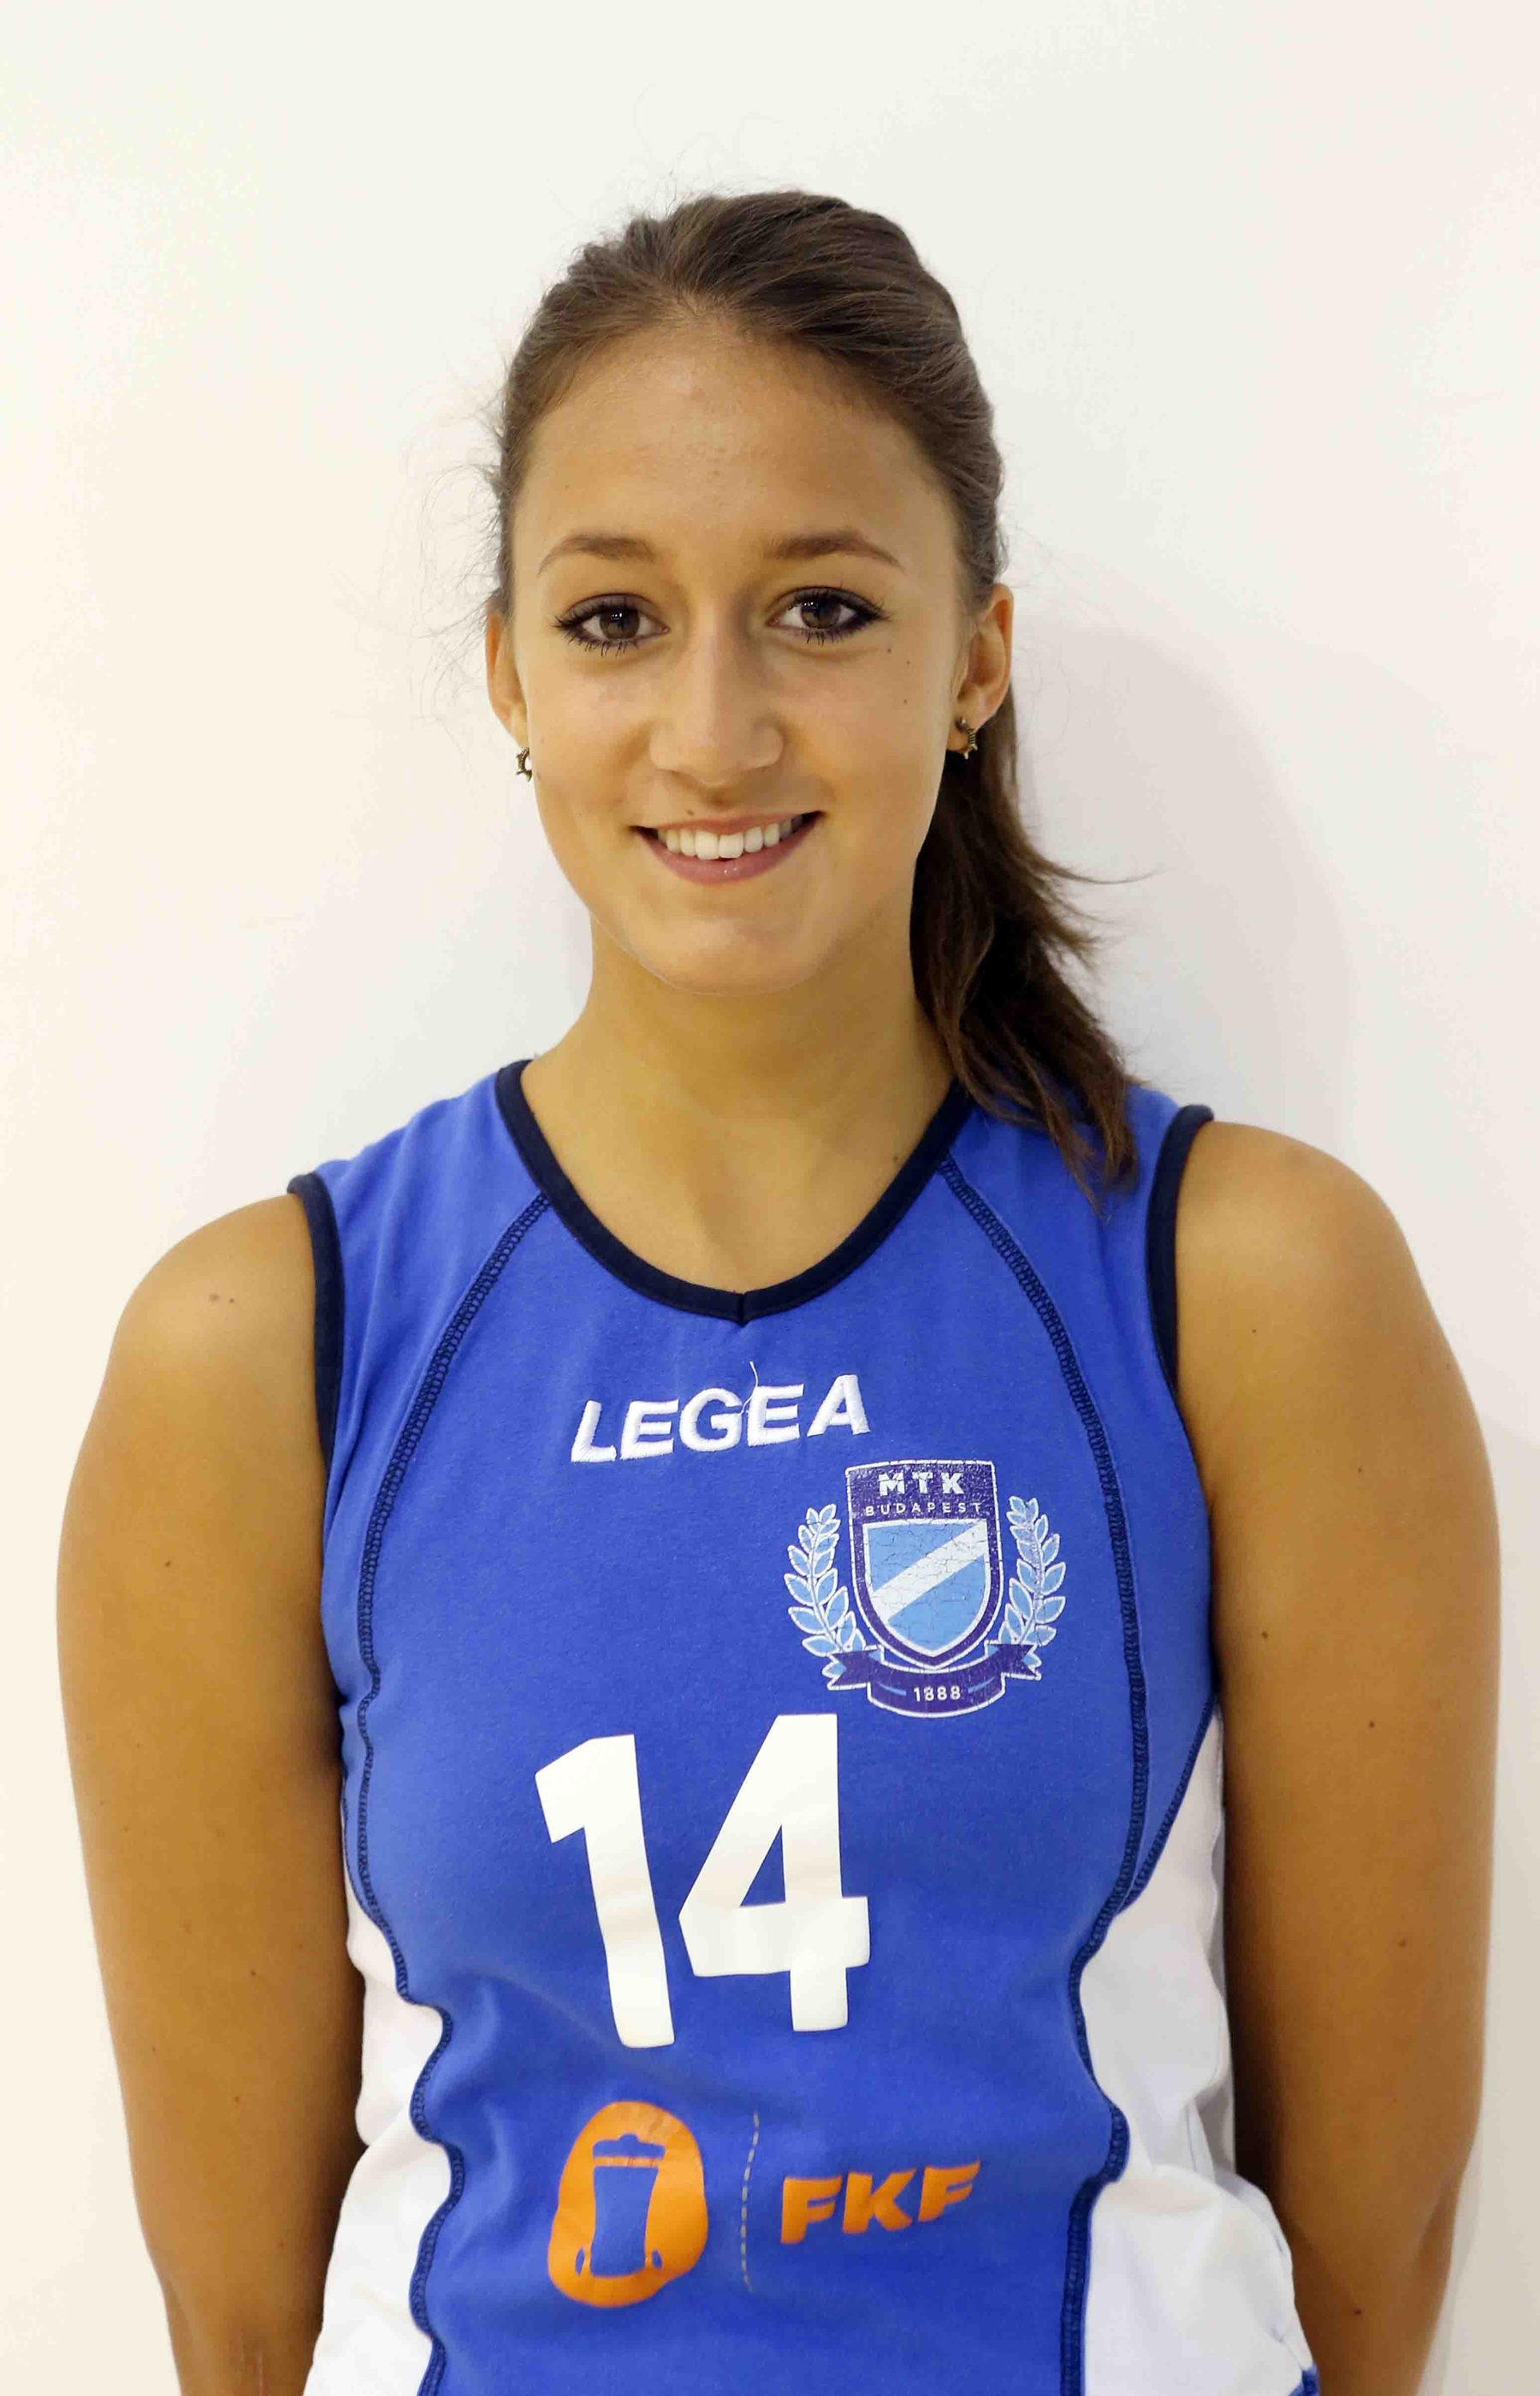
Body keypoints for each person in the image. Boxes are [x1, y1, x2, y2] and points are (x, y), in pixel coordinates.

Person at [57, 189, 1498, 2396]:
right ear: (510, 674)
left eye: (821, 610)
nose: (714, 730)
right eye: (616, 619)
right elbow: (239, 2322)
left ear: (975, 659)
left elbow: (1371, 2262)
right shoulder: (267, 1356)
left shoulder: (1250, 1291)